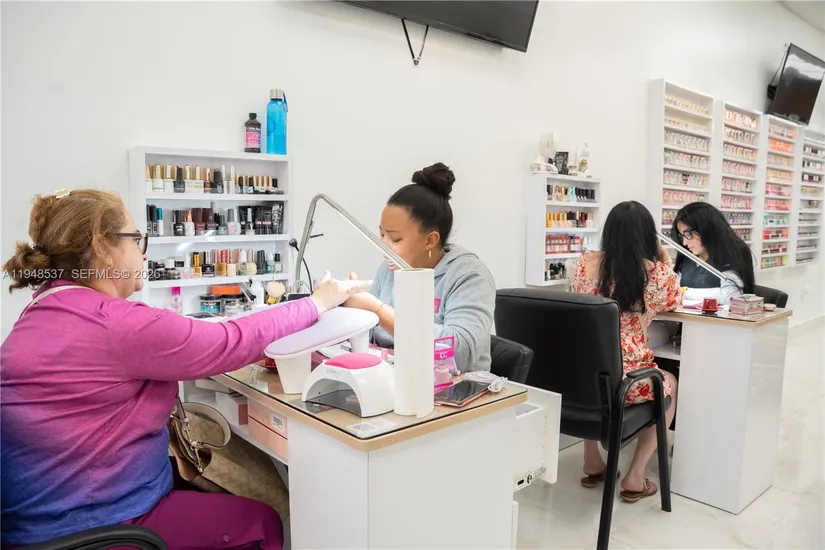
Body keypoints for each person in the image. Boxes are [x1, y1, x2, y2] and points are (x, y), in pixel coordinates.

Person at [0, 189, 369, 548]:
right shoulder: (114, 323)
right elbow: (229, 341)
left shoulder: (43, 306)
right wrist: (316, 303)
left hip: (37, 520)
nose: (144, 252)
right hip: (98, 522)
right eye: (137, 240)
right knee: (261, 522)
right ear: (103, 248)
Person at [571, 201, 681, 503]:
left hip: (583, 374)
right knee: (670, 382)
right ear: (648, 236)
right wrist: (662, 259)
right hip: (627, 381)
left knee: (593, 377)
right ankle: (635, 474)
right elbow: (673, 301)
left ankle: (592, 460)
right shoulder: (657, 274)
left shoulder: (583, 264)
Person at [344, 162, 496, 372]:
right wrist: (350, 309)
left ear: (430, 240)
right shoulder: (388, 270)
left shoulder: (469, 276)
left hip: (452, 385)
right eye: (381, 235)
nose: (384, 248)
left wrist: (376, 309)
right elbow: (371, 337)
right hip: (396, 378)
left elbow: (459, 353)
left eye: (395, 238)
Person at [671, 202, 755, 305]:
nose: (684, 242)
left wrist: (685, 292)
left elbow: (730, 296)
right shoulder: (687, 256)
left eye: (688, 234)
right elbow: (673, 290)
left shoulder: (732, 252)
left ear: (705, 229)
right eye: (682, 235)